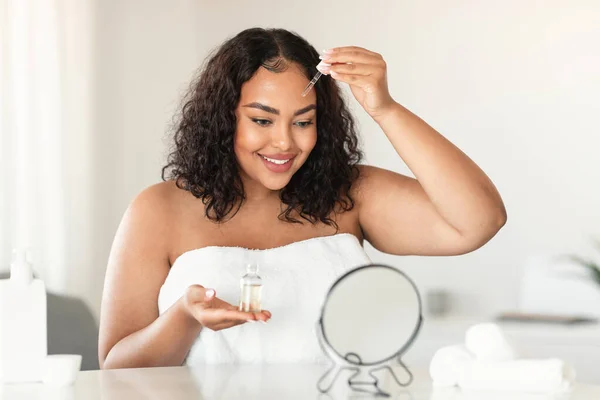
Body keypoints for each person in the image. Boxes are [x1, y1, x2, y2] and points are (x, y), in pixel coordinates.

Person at [98, 28, 506, 369]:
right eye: (262, 120)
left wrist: (385, 109)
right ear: (224, 118)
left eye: (303, 122)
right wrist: (185, 318)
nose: (284, 142)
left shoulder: (348, 196)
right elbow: (115, 368)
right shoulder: (159, 210)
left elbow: (479, 221)